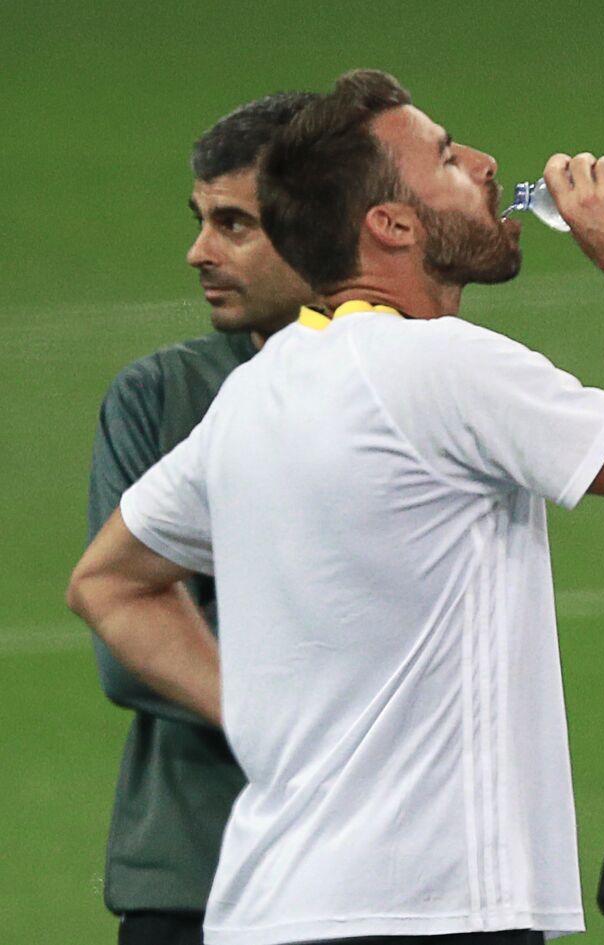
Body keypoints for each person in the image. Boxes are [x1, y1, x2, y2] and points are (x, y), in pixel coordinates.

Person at [67, 68, 604, 945]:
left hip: (266, 908)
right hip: (424, 911)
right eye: (444, 155)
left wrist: (258, 715)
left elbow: (106, 580)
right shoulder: (440, 366)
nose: (482, 163)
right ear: (391, 225)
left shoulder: (254, 395)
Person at [85, 92, 317, 945]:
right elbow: (126, 650)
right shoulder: (161, 396)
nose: (198, 253)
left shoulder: (432, 383)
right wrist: (332, 723)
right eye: (201, 219)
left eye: (234, 224)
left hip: (401, 884)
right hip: (199, 876)